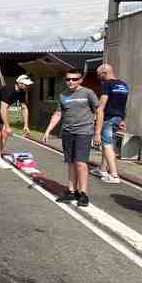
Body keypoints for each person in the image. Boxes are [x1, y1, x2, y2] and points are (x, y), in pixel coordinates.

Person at [42, 68, 102, 207]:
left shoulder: (88, 93)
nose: (70, 81)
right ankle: (71, 191)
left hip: (84, 131)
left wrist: (97, 132)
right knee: (70, 163)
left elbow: (99, 111)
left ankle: (83, 193)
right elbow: (58, 114)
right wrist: (47, 131)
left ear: (80, 80)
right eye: (68, 79)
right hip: (67, 132)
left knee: (81, 163)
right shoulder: (63, 95)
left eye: (74, 79)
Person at [0, 75, 33, 169]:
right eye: (26, 84)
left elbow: (24, 108)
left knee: (4, 134)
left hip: (0, 110)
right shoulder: (8, 90)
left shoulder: (21, 93)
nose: (27, 86)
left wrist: (26, 125)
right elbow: (3, 109)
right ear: (19, 83)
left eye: (28, 85)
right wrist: (8, 126)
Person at [91, 64, 129, 184]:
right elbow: (123, 104)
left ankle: (114, 175)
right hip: (118, 118)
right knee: (107, 144)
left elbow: (101, 107)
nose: (99, 78)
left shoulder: (107, 85)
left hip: (108, 118)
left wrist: (96, 131)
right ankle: (102, 169)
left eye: (99, 75)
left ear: (104, 73)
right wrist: (122, 119)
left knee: (107, 145)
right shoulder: (124, 85)